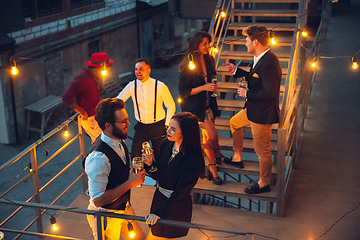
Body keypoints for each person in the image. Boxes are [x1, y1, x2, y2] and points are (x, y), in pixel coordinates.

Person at [222, 25, 281, 194]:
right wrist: (237, 71)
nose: (245, 43)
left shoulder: (270, 63)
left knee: (262, 151)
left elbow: (270, 93)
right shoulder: (260, 58)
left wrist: (248, 94)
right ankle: (237, 157)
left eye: (247, 40)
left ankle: (264, 182)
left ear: (255, 42)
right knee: (234, 122)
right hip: (252, 110)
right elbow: (255, 78)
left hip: (261, 114)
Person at [84, 98, 146, 240]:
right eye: (123, 121)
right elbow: (98, 200)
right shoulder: (98, 157)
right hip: (105, 216)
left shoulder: (118, 139)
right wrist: (130, 183)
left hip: (124, 207)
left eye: (127, 119)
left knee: (140, 238)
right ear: (108, 125)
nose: (128, 124)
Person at [143, 112, 205, 239]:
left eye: (173, 129)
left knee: (166, 236)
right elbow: (160, 175)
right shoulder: (167, 144)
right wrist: (150, 164)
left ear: (185, 133)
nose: (168, 131)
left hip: (176, 206)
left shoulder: (193, 160)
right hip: (159, 198)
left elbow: (181, 192)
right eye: (169, 127)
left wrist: (160, 213)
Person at [178, 31, 222, 185]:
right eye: (204, 44)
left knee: (206, 139)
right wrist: (204, 87)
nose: (208, 47)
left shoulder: (210, 59)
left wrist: (212, 87)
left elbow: (213, 77)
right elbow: (184, 92)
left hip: (209, 104)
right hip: (195, 108)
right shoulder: (187, 65)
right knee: (212, 136)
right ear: (196, 45)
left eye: (208, 43)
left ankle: (214, 171)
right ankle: (217, 153)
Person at [117, 58, 176, 161]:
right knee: (135, 156)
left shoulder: (160, 86)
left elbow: (171, 105)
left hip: (158, 126)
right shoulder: (132, 86)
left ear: (149, 70)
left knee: (160, 156)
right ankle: (140, 175)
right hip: (141, 127)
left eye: (141, 69)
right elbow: (118, 100)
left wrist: (167, 124)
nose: (138, 72)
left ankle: (159, 176)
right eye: (136, 69)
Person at [62, 52, 114, 143]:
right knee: (102, 143)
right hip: (90, 119)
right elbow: (66, 97)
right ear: (95, 68)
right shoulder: (82, 78)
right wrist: (82, 112)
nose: (104, 73)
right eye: (102, 70)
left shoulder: (93, 74)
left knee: (103, 141)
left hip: (97, 115)